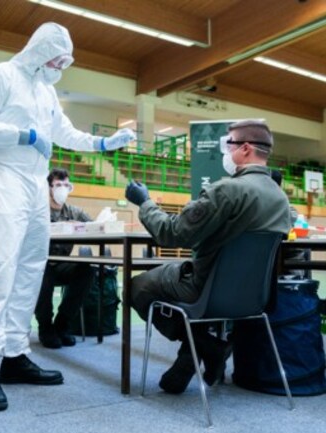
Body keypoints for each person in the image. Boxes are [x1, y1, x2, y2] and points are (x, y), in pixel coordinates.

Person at [0, 22, 136, 412]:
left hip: (33, 182)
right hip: (5, 176)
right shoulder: (0, 75)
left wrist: (102, 143)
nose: (61, 66)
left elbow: (65, 132)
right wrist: (24, 136)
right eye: (58, 58)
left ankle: (13, 354)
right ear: (40, 51)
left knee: (30, 269)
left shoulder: (46, 90)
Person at [125, 119, 292, 395]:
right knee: (185, 273)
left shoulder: (227, 190)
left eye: (229, 144)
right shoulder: (280, 198)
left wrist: (145, 202)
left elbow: (172, 233)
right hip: (252, 299)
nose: (226, 151)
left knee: (137, 286)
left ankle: (204, 344)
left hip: (205, 290)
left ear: (246, 148)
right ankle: (197, 351)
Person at [34, 168, 94, 348]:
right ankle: (45, 327)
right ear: (49, 187)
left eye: (66, 185)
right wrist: (62, 226)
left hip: (61, 265)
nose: (62, 188)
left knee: (86, 270)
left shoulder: (74, 212)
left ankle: (62, 323)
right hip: (39, 264)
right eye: (58, 185)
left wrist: (81, 226)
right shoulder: (38, 210)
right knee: (43, 273)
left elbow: (94, 226)